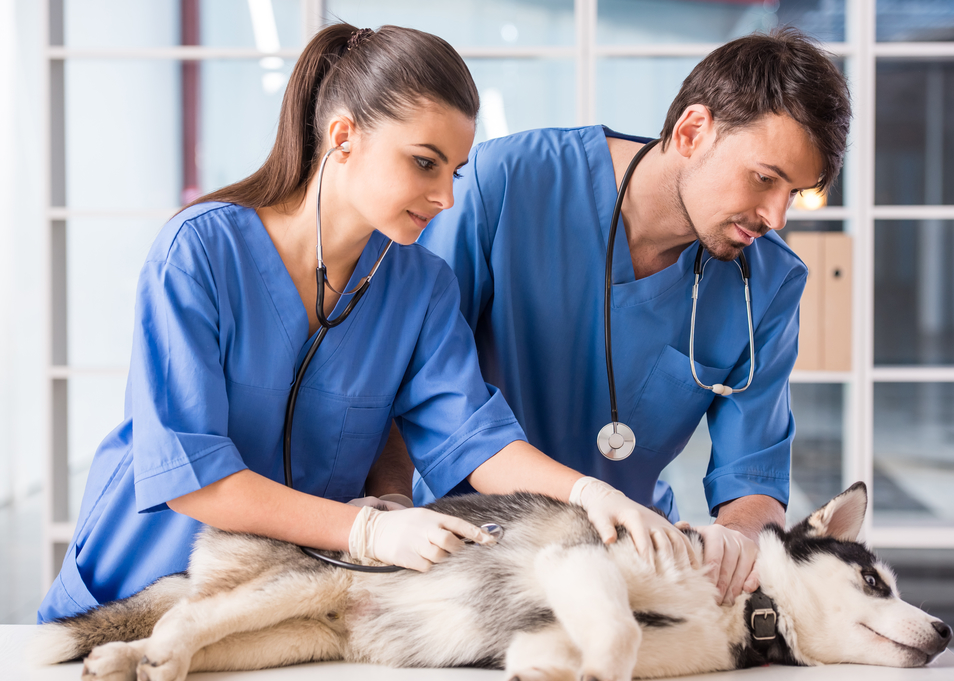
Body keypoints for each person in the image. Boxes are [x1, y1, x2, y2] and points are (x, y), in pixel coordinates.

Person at [38, 23, 692, 623]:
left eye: (456, 170)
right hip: (128, 596)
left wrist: (585, 492)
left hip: (268, 612)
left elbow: (475, 441)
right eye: (424, 161)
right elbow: (191, 474)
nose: (447, 197)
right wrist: (366, 533)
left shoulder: (421, 287)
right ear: (344, 137)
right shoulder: (199, 252)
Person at [412, 28, 852, 607]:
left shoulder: (767, 283)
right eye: (766, 178)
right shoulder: (506, 184)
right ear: (693, 131)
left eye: (793, 192)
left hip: (632, 561)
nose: (776, 216)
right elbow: (421, 386)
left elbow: (753, 475)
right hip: (464, 546)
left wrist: (737, 539)